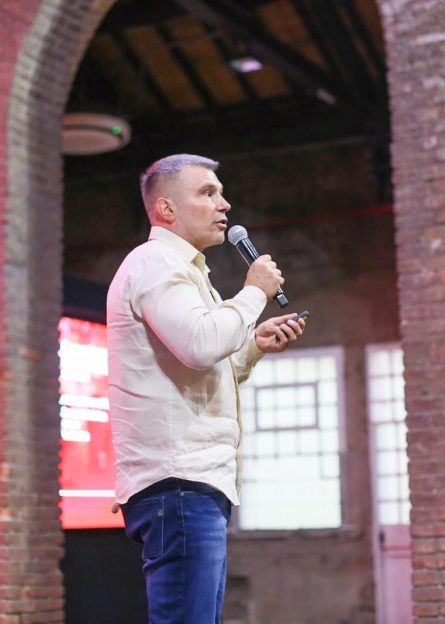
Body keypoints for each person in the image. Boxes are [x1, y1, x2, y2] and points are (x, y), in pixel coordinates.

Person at [106, 154, 305, 623]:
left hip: (192, 484)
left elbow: (202, 364)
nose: (224, 204)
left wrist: (252, 345)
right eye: (207, 193)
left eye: (221, 192)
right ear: (167, 208)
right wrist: (254, 292)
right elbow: (200, 344)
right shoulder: (156, 263)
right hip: (177, 483)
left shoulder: (187, 271)